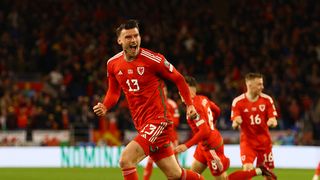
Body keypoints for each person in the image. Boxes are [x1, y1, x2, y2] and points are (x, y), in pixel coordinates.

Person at [93, 19, 203, 180]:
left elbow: (179, 79)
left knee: (126, 160)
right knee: (175, 174)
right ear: (119, 40)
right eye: (128, 37)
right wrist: (105, 106)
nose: (133, 40)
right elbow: (114, 92)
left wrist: (189, 105)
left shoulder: (153, 60)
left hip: (159, 121)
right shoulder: (113, 64)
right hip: (142, 123)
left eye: (136, 36)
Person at [175, 76, 277, 180]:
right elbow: (217, 110)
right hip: (203, 145)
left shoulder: (194, 107)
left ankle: (259, 170)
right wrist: (212, 124)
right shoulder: (202, 99)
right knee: (192, 175)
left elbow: (205, 131)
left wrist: (186, 145)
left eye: (180, 90)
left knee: (224, 179)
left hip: (211, 147)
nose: (179, 93)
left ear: (187, 89)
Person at [231, 73, 278, 180]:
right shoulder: (238, 102)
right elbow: (234, 123)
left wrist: (272, 121)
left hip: (264, 142)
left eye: (262, 84)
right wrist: (236, 122)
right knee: (247, 169)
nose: (262, 87)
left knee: (268, 174)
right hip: (248, 143)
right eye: (259, 84)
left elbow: (273, 119)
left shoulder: (267, 100)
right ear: (249, 85)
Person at [143, 85, 180, 180]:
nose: (164, 92)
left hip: (172, 137)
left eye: (165, 90)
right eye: (162, 90)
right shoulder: (154, 104)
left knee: (175, 162)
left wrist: (165, 121)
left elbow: (176, 121)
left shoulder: (172, 104)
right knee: (150, 160)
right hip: (157, 136)